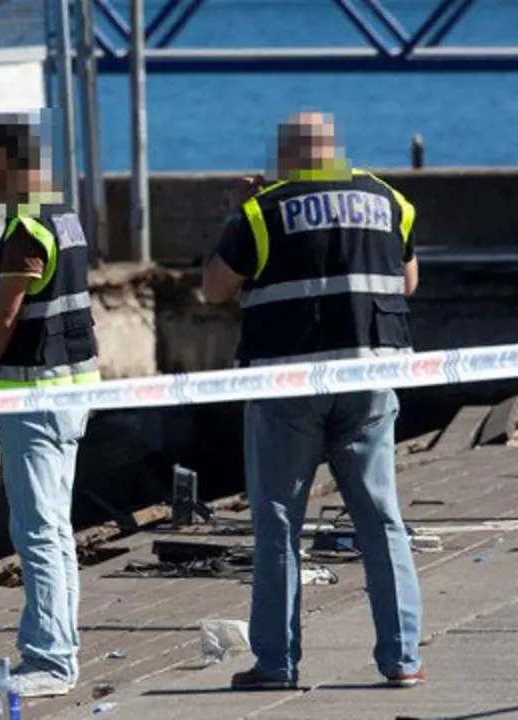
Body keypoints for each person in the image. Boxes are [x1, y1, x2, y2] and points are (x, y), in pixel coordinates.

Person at [202, 111, 425, 690]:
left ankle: (276, 663)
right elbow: (408, 283)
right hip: (370, 380)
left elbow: (214, 288)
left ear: (289, 156)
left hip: (287, 385)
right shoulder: (390, 202)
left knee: (278, 522)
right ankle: (402, 658)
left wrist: (238, 210)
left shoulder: (261, 211)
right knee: (381, 518)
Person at [0, 115, 100, 698]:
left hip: (35, 392)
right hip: (72, 390)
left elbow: (8, 316)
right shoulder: (65, 219)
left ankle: (49, 658)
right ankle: (58, 646)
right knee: (57, 529)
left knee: (38, 530)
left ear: (9, 164)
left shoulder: (26, 228)